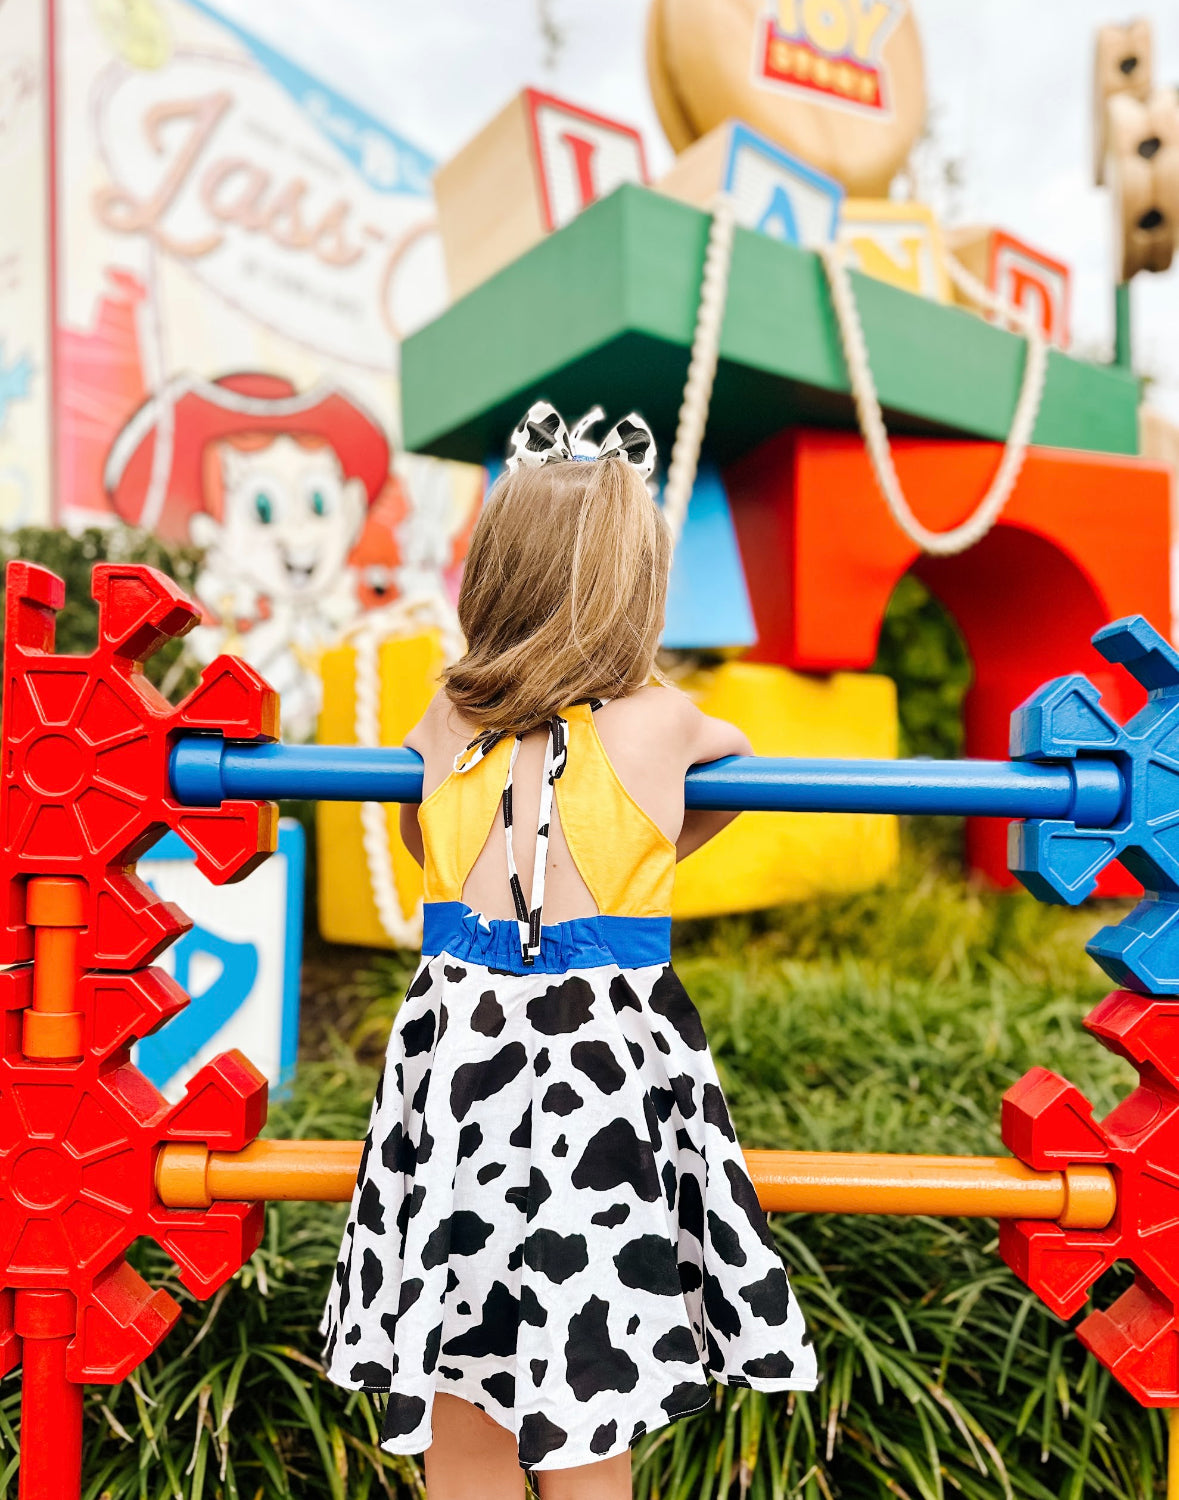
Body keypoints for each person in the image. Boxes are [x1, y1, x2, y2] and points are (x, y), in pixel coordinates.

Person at [321, 401, 817, 1497]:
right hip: (601, 1094)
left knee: (460, 1364)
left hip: (460, 1084)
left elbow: (421, 843)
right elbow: (733, 770)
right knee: (587, 1372)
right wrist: (640, 853)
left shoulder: (444, 717)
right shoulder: (666, 722)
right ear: (633, 590)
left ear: (495, 578)